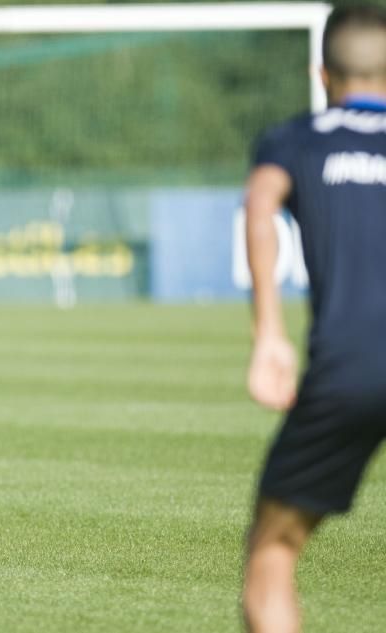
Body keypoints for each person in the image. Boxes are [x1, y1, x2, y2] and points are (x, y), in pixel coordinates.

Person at [242, 6, 386, 631]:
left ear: (321, 71)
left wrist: (269, 334)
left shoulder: (294, 138)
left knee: (274, 548)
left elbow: (261, 204)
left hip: (351, 365)